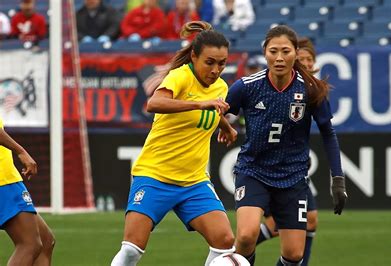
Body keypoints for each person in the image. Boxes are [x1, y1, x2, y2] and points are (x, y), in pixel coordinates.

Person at [111, 21, 237, 266]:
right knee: (131, 250)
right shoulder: (180, 76)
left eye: (222, 63)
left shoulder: (221, 87)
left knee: (224, 242)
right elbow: (154, 103)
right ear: (194, 56)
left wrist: (226, 126)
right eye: (209, 62)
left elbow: (213, 110)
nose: (216, 69)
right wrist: (202, 103)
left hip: (194, 181)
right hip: (155, 176)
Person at [220, 25, 347, 266]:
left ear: (295, 53)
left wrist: (338, 179)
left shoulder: (311, 89)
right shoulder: (246, 86)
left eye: (286, 51)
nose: (279, 58)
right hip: (253, 171)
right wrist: (224, 126)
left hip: (293, 177)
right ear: (265, 52)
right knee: (246, 236)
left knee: (294, 254)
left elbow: (328, 133)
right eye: (273, 51)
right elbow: (221, 116)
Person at [254, 37, 321, 266]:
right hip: (269, 169)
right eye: (302, 59)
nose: (306, 63)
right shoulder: (275, 86)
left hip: (292, 168)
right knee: (284, 224)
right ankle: (238, 250)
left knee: (309, 221)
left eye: (309, 59)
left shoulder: (312, 90)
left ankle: (240, 249)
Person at [0, 117, 55, 265]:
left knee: (46, 241)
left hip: (7, 178)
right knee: (30, 244)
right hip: (3, 180)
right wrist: (21, 151)